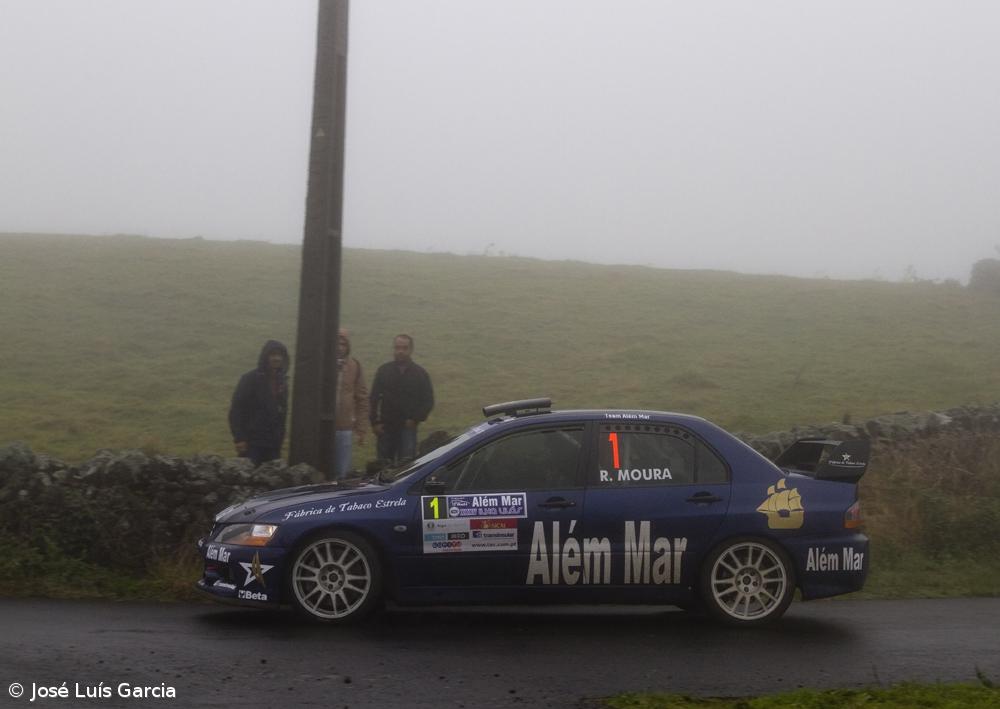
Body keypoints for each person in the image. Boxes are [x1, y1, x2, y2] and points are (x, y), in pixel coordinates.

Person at [369, 334, 434, 463]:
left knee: (406, 466)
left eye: (404, 348)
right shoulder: (383, 371)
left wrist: (415, 419)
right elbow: (373, 398)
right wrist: (374, 423)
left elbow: (428, 400)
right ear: (394, 348)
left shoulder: (420, 373)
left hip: (407, 429)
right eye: (398, 347)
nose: (400, 351)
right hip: (385, 428)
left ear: (411, 350)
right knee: (383, 467)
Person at [228, 340, 289, 467]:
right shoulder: (250, 379)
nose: (277, 358)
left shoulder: (282, 382)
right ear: (265, 357)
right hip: (252, 444)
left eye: (280, 355)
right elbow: (236, 409)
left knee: (273, 482)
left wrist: (280, 437)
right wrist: (239, 438)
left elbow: (282, 413)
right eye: (272, 355)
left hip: (273, 445)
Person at [332, 328, 368, 479]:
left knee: (343, 472)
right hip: (322, 429)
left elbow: (362, 398)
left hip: (345, 428)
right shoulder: (322, 363)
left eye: (343, 344)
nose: (340, 347)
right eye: (337, 343)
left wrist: (361, 427)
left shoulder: (355, 366)